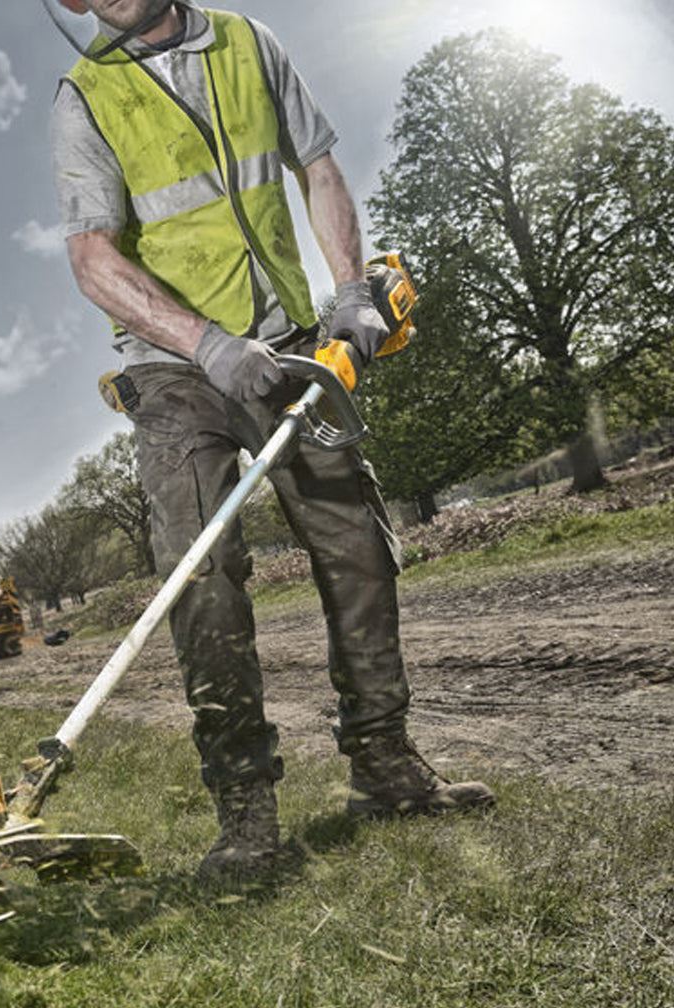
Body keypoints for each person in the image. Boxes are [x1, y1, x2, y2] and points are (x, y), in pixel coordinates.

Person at [48, 0, 494, 884]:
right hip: (175, 365)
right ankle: (246, 812)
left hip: (291, 340)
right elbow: (94, 258)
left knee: (356, 543)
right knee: (200, 566)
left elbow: (318, 168)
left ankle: (383, 763)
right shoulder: (86, 96)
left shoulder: (248, 40)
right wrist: (208, 346)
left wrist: (353, 289)